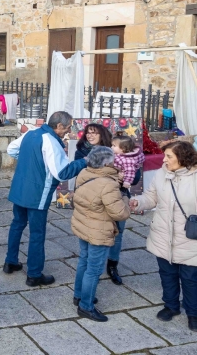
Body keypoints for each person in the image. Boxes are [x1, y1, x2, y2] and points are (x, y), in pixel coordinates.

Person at [4, 111, 87, 286]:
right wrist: (84, 161)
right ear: (58, 126)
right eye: (67, 127)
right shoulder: (51, 141)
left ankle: (10, 261)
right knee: (37, 233)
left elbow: (11, 149)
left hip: (20, 188)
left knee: (17, 224)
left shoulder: (32, 133)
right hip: (37, 193)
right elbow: (62, 172)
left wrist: (31, 163)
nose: (68, 130)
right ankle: (34, 274)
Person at [130, 142, 197, 332]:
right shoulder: (162, 173)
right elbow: (151, 197)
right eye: (165, 156)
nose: (164, 160)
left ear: (183, 158)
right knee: (167, 274)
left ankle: (193, 313)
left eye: (169, 156)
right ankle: (171, 306)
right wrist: (138, 202)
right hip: (162, 233)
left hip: (190, 237)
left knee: (191, 278)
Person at [71, 146, 130, 322]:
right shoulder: (108, 184)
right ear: (106, 163)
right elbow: (119, 213)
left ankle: (78, 295)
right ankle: (86, 306)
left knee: (83, 261)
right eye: (112, 160)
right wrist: (125, 198)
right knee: (94, 269)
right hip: (99, 230)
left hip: (83, 224)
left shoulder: (84, 174)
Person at [107, 135, 146, 284]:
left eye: (94, 133)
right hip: (101, 195)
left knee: (118, 231)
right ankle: (94, 266)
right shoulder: (86, 149)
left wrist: (125, 179)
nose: (90, 135)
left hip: (120, 195)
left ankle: (112, 265)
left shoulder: (128, 157)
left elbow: (135, 177)